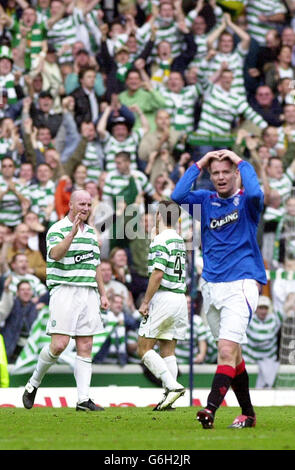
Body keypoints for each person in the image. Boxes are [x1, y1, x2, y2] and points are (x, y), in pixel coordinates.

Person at [172, 149, 267, 429]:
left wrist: (240, 159)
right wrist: (200, 163)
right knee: (233, 355)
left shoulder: (247, 203)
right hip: (211, 286)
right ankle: (248, 414)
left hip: (242, 282)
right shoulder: (204, 201)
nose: (221, 177)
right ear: (210, 177)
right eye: (216, 173)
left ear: (237, 174)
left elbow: (254, 193)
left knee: (225, 350)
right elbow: (177, 196)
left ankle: (210, 408)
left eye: (227, 171)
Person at [22, 189, 109, 411]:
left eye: (89, 205)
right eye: (81, 204)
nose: (85, 209)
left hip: (87, 291)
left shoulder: (90, 232)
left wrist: (103, 293)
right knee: (59, 345)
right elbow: (55, 255)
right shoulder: (57, 229)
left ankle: (83, 399)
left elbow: (95, 265)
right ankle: (33, 383)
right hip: (64, 290)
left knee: (85, 344)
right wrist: (70, 233)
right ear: (70, 205)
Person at [137, 200, 188, 411]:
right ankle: (169, 398)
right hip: (179, 298)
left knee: (143, 347)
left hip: (164, 297)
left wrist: (146, 301)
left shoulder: (160, 240)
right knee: (168, 350)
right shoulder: (180, 240)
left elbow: (158, 273)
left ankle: (172, 386)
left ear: (159, 215)